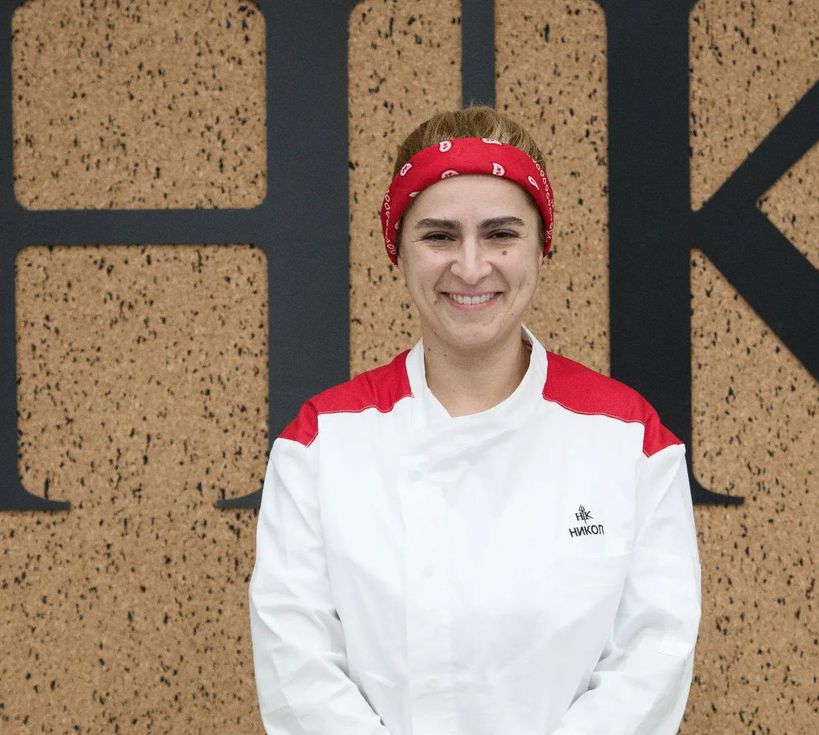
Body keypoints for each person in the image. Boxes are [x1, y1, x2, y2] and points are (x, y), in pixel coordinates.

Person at [248, 106, 701, 735]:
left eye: (499, 234)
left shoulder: (630, 441)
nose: (470, 266)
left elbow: (655, 656)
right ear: (398, 252)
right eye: (438, 236)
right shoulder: (321, 443)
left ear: (540, 246)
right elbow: (296, 667)